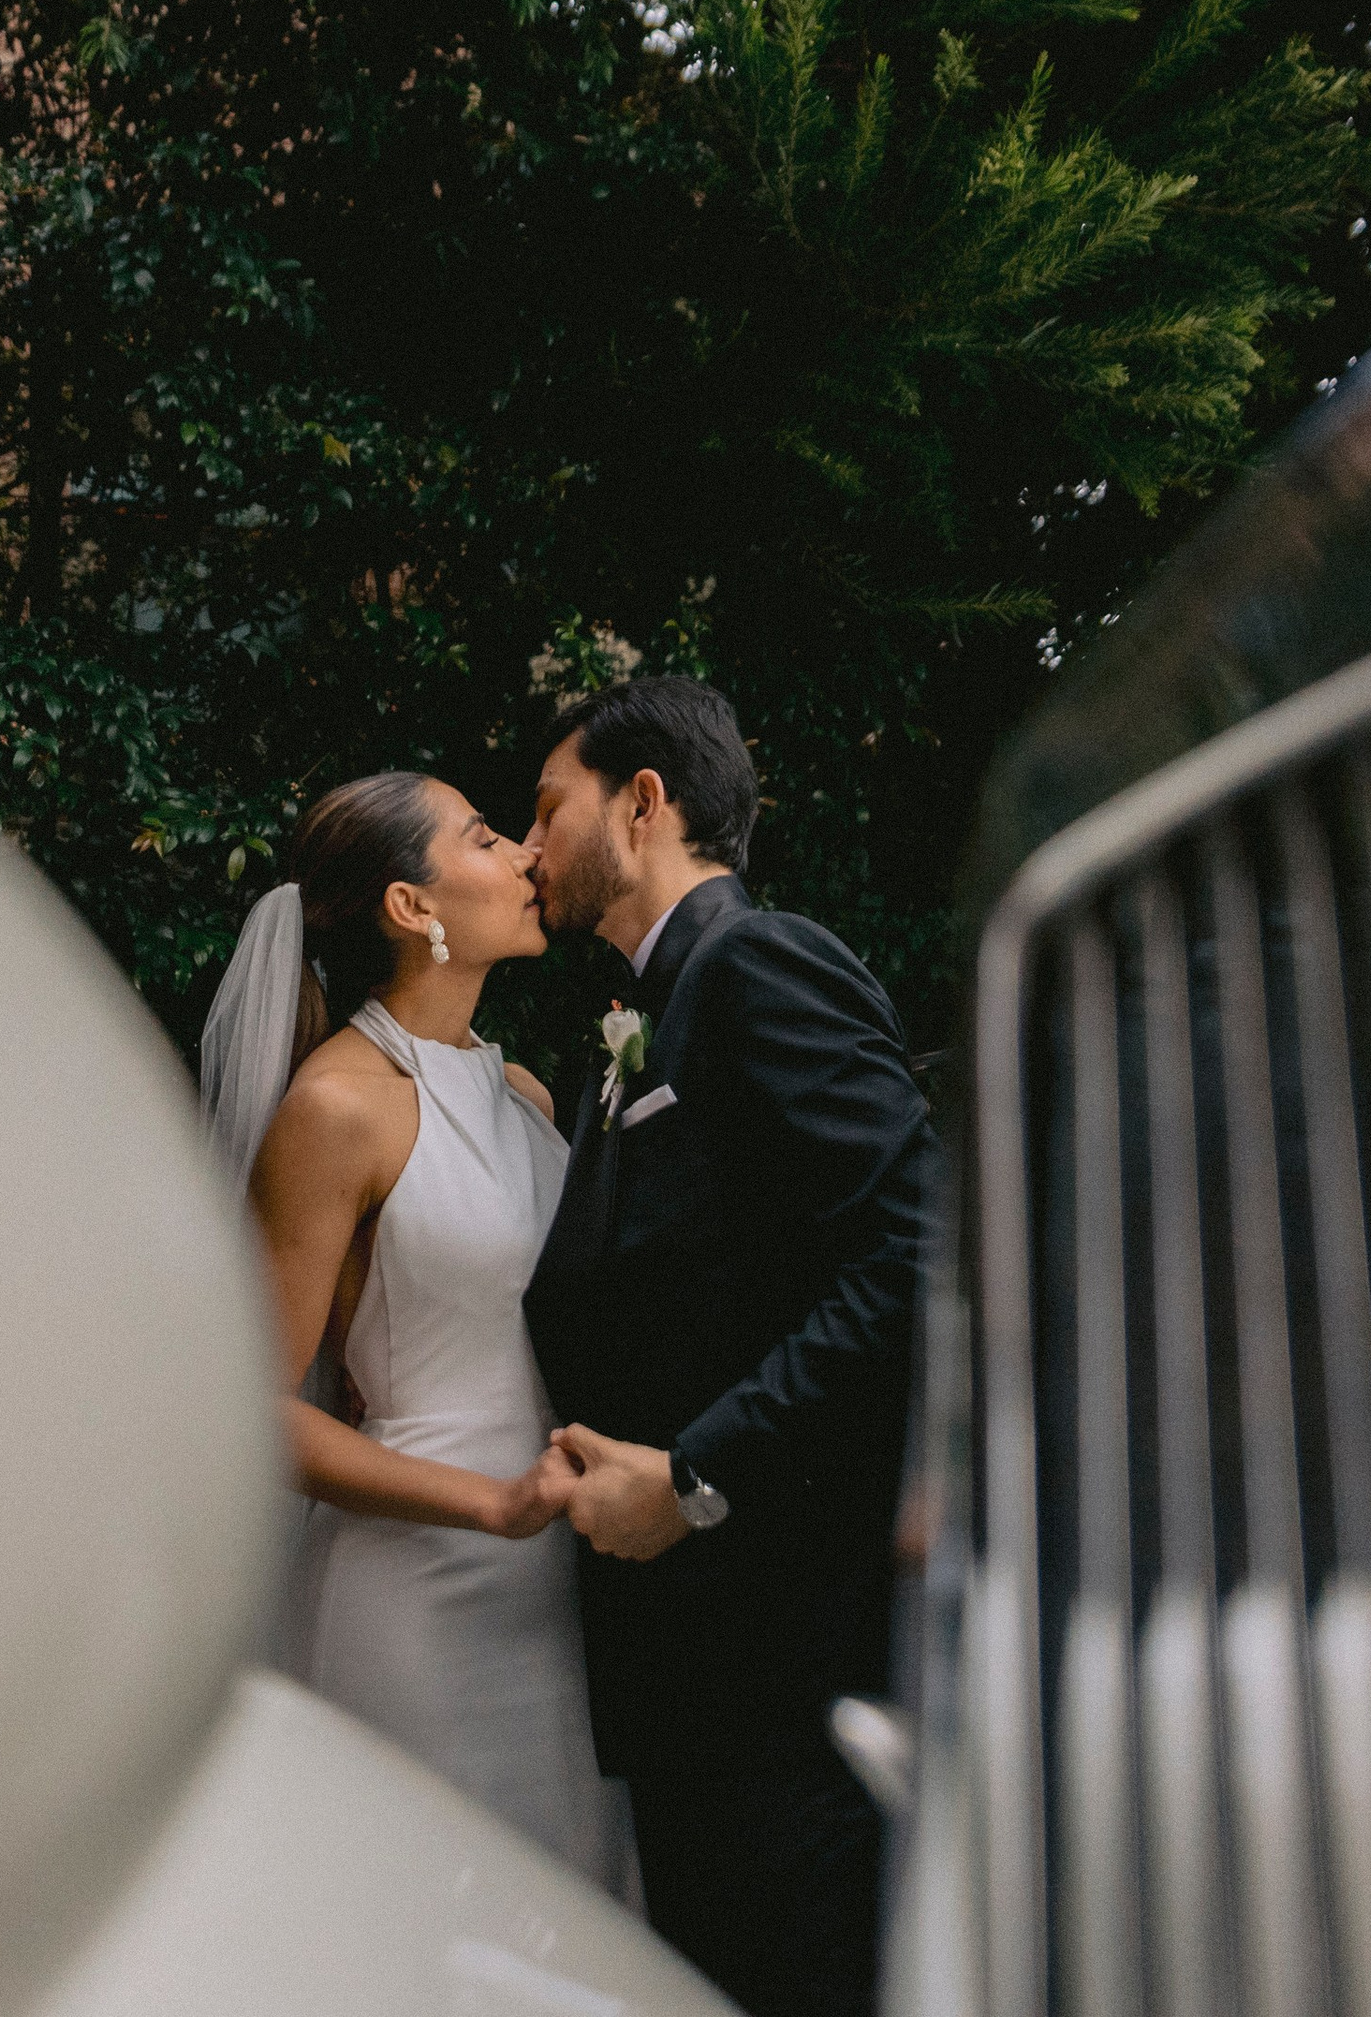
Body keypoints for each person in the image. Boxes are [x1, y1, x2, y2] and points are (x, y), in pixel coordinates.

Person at [519, 679, 937, 2015]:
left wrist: (693, 1476)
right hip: (689, 1681)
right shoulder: (634, 1028)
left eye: (547, 809)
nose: (528, 847)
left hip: (782, 1664)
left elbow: (920, 1252)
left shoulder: (757, 965)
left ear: (642, 804)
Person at [199, 772, 634, 1894]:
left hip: (556, 1593)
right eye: (483, 838)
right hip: (417, 1588)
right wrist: (492, 1503)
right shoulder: (336, 1110)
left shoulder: (524, 1096)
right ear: (412, 906)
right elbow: (255, 1415)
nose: (526, 854)